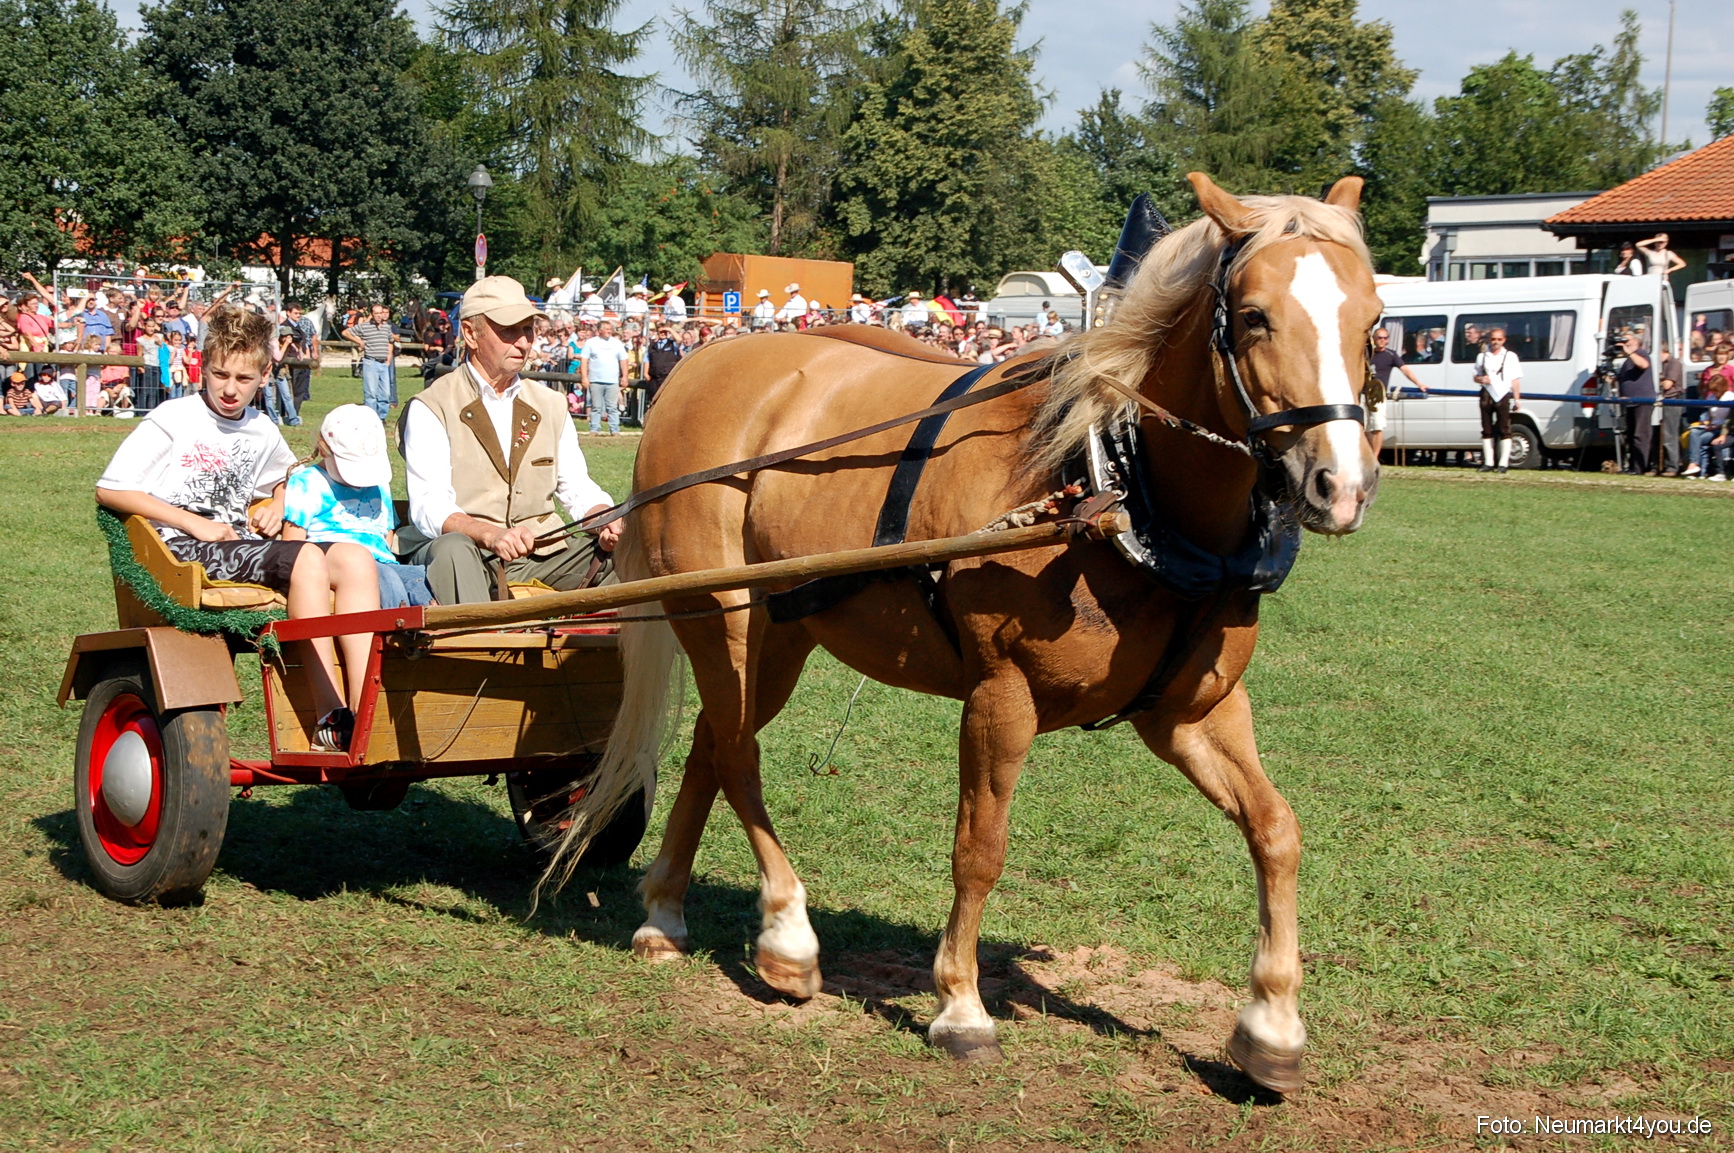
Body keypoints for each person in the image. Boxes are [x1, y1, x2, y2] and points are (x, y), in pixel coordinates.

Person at [95, 305, 380, 751]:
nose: (230, 389)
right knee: (306, 558)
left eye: (243, 379)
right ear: (203, 368)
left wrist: (279, 502)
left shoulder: (261, 428)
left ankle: (368, 711)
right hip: (181, 550)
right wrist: (194, 524)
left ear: (264, 376)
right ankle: (330, 715)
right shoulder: (173, 418)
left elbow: (288, 476)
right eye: (220, 375)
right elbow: (111, 489)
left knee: (355, 559)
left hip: (236, 546)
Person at [397, 275, 622, 605]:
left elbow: (576, 487)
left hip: (538, 552)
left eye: (528, 330)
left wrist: (605, 519)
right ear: (470, 334)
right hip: (466, 553)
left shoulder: (550, 404)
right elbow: (429, 505)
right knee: (454, 548)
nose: (523, 343)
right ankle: (481, 635)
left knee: (628, 554)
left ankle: (608, 639)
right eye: (508, 331)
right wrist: (490, 535)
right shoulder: (432, 406)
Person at [284, 405, 433, 609]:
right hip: (336, 562)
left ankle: (438, 623)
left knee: (418, 577)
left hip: (382, 562)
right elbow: (292, 543)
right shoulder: (308, 482)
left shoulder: (379, 483)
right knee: (385, 577)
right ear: (324, 449)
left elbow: (386, 530)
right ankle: (396, 624)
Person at [1365, 327, 1429, 456]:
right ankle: (1369, 455)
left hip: (1378, 395)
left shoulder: (1391, 355)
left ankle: (1374, 457)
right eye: (1380, 338)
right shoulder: (1365, 354)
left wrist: (1418, 383)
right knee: (1364, 428)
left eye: (1385, 338)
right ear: (1374, 339)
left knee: (1378, 426)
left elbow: (1405, 370)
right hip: (1362, 393)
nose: (1383, 340)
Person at [1473, 327, 1522, 473]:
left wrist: (1517, 399)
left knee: (1504, 428)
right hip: (1486, 393)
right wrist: (1481, 379)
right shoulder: (1482, 356)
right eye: (1493, 339)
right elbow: (1475, 376)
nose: (1496, 342)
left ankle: (1503, 464)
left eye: (1499, 339)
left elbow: (1515, 379)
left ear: (1504, 340)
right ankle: (1488, 462)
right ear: (1489, 340)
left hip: (1503, 394)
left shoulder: (1510, 356)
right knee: (1486, 428)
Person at [343, 303, 397, 420]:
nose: (379, 316)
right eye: (376, 313)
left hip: (383, 363)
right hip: (371, 362)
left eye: (380, 313)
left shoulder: (386, 327)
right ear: (372, 314)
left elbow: (390, 342)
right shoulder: (365, 327)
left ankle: (382, 418)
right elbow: (346, 333)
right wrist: (359, 342)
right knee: (371, 393)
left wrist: (389, 358)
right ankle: (371, 418)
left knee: (385, 393)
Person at [1686, 346, 1734, 478]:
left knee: (1704, 440)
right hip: (1711, 413)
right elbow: (1702, 386)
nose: (1721, 357)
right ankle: (1695, 467)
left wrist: (1718, 427)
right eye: (1719, 354)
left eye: (1724, 354)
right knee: (1694, 433)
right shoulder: (1708, 371)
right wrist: (1707, 422)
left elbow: (1729, 420)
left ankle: (1715, 471)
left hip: (1724, 425)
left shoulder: (1730, 372)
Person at [1613, 332, 1656, 474]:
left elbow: (1644, 365)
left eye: (1627, 340)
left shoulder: (1641, 354)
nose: (1624, 342)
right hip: (1630, 403)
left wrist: (1629, 352)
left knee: (1640, 435)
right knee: (1631, 435)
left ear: (1637, 341)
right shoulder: (1628, 360)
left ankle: (1639, 468)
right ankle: (1632, 467)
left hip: (1642, 402)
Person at [580, 318, 629, 435]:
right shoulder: (591, 343)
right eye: (606, 329)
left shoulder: (617, 343)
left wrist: (625, 376)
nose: (609, 331)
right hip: (595, 380)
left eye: (610, 329)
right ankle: (594, 429)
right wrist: (584, 377)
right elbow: (584, 360)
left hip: (612, 381)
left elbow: (623, 360)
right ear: (599, 330)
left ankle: (614, 429)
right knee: (596, 407)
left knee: (612, 407)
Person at [1656, 344, 1686, 477]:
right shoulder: (1661, 365)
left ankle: (1672, 467)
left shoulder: (1674, 363)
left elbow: (1668, 384)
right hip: (1662, 400)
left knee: (1670, 434)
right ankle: (1659, 465)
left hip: (1672, 400)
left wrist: (1657, 380)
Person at [284, 301, 317, 405]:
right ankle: (290, 411)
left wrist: (307, 355)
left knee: (300, 390)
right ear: (288, 313)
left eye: (300, 313)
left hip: (301, 361)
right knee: (292, 388)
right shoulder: (285, 327)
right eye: (296, 313)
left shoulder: (299, 326)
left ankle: (295, 411)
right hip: (291, 361)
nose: (298, 315)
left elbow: (306, 341)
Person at [645, 322, 683, 409]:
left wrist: (669, 329)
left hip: (667, 378)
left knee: (667, 401)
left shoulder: (672, 344)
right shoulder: (652, 346)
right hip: (654, 379)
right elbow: (647, 359)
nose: (663, 334)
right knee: (653, 402)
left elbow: (679, 340)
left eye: (664, 332)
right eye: (661, 332)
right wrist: (646, 373)